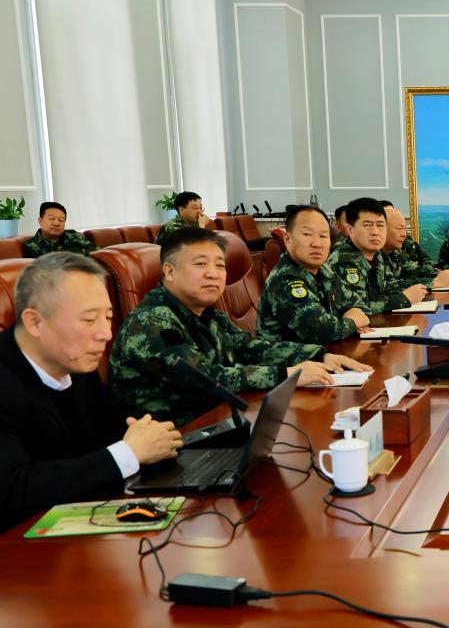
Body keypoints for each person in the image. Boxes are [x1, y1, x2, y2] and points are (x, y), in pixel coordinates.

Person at [110, 228, 368, 426]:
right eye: (200, 264)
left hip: (217, 425)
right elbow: (207, 379)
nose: (213, 273)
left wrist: (318, 355)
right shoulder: (152, 322)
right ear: (169, 272)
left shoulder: (207, 314)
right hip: (174, 444)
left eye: (220, 265)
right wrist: (287, 374)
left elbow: (251, 347)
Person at [0, 253, 182, 528]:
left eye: (108, 317)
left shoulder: (74, 362)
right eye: (88, 320)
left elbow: (116, 421)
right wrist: (129, 453)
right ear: (35, 322)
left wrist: (154, 435)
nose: (106, 333)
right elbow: (14, 489)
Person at [257, 206, 372, 344]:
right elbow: (321, 330)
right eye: (307, 234)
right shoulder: (285, 279)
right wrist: (352, 322)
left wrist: (349, 320)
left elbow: (360, 303)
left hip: (330, 351)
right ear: (287, 239)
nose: (317, 244)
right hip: (294, 356)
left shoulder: (324, 270)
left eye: (323, 236)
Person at [326, 198, 430, 314]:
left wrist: (423, 287)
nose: (375, 232)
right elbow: (359, 306)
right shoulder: (344, 259)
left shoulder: (378, 255)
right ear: (350, 230)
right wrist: (404, 298)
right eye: (367, 225)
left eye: (380, 225)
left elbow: (390, 286)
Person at [381, 205, 449, 288]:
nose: (404, 234)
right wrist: (434, 282)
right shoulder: (374, 256)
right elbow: (388, 287)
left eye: (404, 229)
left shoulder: (394, 251)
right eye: (399, 228)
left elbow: (424, 258)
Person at [21, 202, 97, 258]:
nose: (56, 223)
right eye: (51, 219)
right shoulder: (32, 246)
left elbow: (97, 253)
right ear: (40, 221)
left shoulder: (73, 234)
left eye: (61, 220)